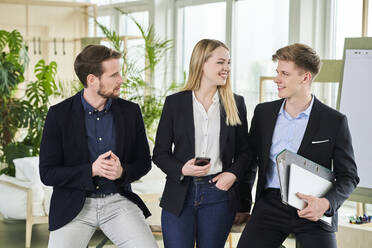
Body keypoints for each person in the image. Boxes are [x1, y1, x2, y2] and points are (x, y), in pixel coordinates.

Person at [237, 43, 359, 248]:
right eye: (277, 72)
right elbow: (251, 163)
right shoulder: (263, 113)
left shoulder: (334, 121)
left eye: (284, 73)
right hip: (270, 205)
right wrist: (243, 205)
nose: (277, 79)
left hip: (313, 207)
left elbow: (348, 176)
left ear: (305, 77)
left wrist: (326, 204)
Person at [39, 44, 158, 248]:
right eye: (114, 75)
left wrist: (122, 172)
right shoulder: (58, 115)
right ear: (92, 80)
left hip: (118, 203)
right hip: (73, 206)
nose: (121, 80)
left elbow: (144, 162)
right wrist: (91, 170)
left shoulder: (131, 112)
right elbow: (48, 173)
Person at [152, 39, 255, 248]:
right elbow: (160, 153)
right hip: (180, 193)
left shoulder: (236, 103)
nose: (226, 68)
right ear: (201, 63)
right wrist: (182, 168)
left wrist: (232, 174)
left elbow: (246, 153)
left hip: (218, 194)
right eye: (220, 62)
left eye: (228, 63)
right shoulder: (175, 103)